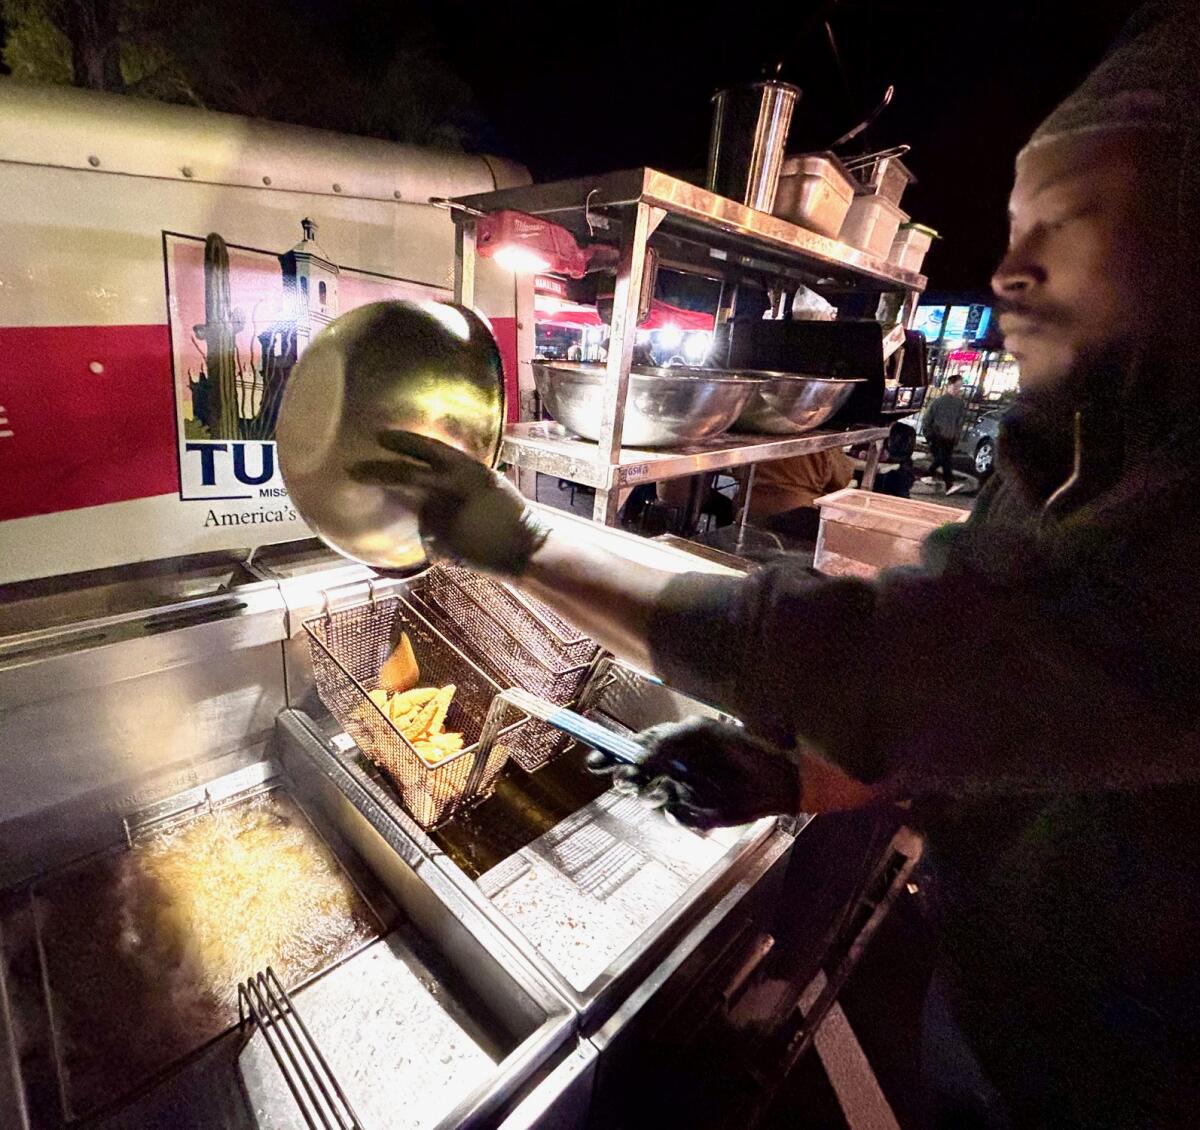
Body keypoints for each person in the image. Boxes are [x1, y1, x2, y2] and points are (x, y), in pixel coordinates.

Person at [352, 4, 1200, 1125]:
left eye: (1079, 215)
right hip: (995, 1001)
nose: (1013, 271)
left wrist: (529, 540)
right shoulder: (1078, 446)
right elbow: (991, 707)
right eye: (1022, 216)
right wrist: (801, 775)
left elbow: (894, 665)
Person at [742, 449, 855, 541]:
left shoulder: (759, 436)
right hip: (795, 515)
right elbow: (840, 479)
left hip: (748, 508)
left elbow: (737, 469)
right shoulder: (818, 442)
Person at [922, 374, 967, 494]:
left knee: (941, 459)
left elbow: (959, 423)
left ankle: (928, 475)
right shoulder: (940, 402)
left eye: (959, 386)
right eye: (956, 386)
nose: (957, 389)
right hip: (940, 436)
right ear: (950, 385)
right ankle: (949, 484)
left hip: (946, 437)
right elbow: (927, 420)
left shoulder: (957, 404)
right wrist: (930, 435)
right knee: (945, 460)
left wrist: (956, 437)